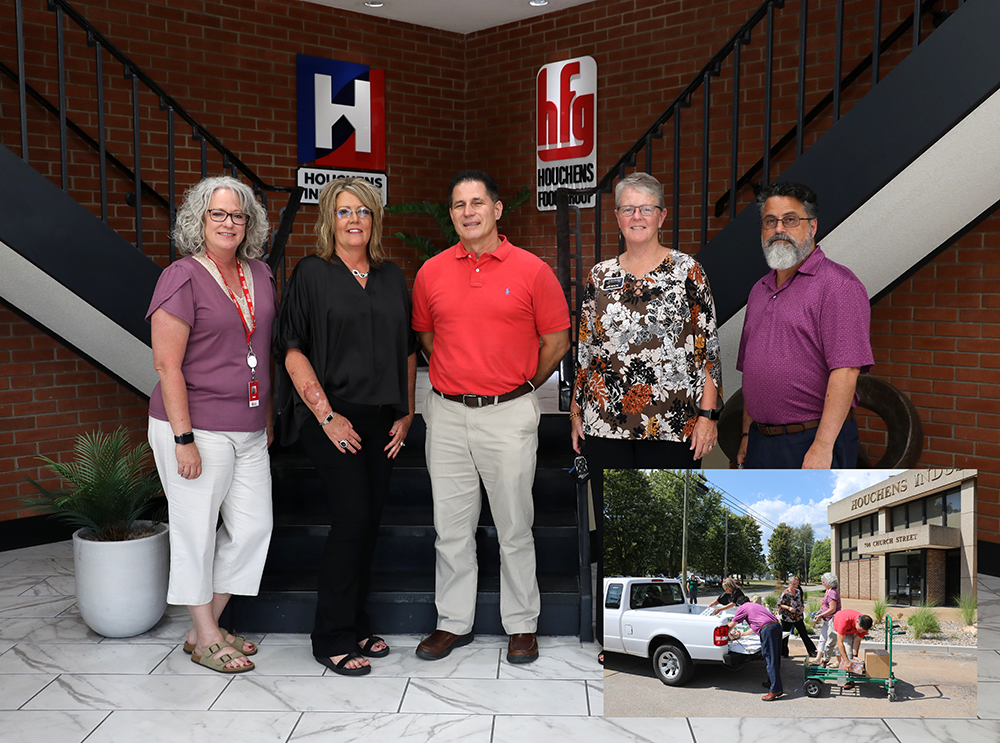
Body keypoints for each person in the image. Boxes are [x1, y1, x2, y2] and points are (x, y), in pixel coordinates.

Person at [411, 170, 570, 665]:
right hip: (448, 414)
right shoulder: (431, 272)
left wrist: (522, 385)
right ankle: (452, 622)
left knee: (514, 525)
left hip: (508, 414)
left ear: (497, 210)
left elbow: (557, 341)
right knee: (451, 527)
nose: (468, 212)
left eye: (477, 202)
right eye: (459, 205)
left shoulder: (532, 271)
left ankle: (521, 624)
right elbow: (428, 338)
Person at [273, 177, 417, 676]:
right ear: (328, 220)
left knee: (369, 522)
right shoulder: (312, 273)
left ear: (374, 219)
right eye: (343, 211)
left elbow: (407, 350)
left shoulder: (392, 275)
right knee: (352, 518)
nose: (354, 219)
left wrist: (407, 411)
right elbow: (291, 349)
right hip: (332, 417)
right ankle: (330, 635)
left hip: (383, 420)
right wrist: (327, 415)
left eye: (362, 211)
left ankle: (356, 623)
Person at [147, 175, 277, 674]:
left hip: (248, 427)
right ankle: (204, 634)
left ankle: (205, 626)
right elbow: (166, 365)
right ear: (199, 220)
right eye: (218, 214)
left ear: (249, 224)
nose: (229, 223)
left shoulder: (260, 274)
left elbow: (259, 350)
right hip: (196, 426)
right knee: (196, 531)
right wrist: (183, 439)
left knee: (252, 529)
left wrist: (264, 414)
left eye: (238, 215)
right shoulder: (181, 276)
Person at [570, 171, 722, 469]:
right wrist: (576, 412)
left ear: (661, 216)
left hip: (673, 424)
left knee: (666, 510)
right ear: (618, 217)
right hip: (605, 424)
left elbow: (709, 352)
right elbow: (585, 349)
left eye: (646, 209)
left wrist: (708, 416)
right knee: (609, 510)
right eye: (628, 209)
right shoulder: (600, 276)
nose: (636, 216)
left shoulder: (688, 271)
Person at [736, 182, 874, 469]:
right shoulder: (758, 290)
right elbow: (752, 372)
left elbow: (846, 371)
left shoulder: (839, 285)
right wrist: (748, 434)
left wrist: (823, 446)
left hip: (812, 440)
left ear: (812, 227)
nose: (778, 230)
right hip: (761, 440)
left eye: (790, 220)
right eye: (770, 221)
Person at [728, 601, 784, 701]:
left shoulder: (742, 608)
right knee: (775, 657)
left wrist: (726, 635)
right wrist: (741, 635)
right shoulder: (755, 606)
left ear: (738, 604)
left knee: (770, 659)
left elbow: (730, 626)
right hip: (776, 626)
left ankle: (776, 689)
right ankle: (771, 682)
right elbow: (757, 626)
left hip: (768, 630)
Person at [831, 609, 873, 689]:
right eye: (860, 630)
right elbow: (840, 642)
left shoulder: (864, 626)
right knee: (829, 645)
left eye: (862, 631)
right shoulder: (844, 620)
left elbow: (857, 640)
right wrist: (846, 660)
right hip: (836, 624)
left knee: (849, 653)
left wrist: (854, 656)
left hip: (849, 631)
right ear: (857, 621)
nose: (860, 632)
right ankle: (823, 661)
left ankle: (849, 679)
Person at [778, 576, 818, 658]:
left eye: (796, 584)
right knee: (785, 636)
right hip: (787, 618)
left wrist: (802, 607)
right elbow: (780, 605)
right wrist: (788, 608)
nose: (795, 585)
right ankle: (783, 653)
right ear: (789, 584)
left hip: (797, 617)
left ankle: (811, 651)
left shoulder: (798, 592)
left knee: (804, 634)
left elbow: (800, 601)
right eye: (793, 584)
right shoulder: (785, 593)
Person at [814, 572, 842, 664]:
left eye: (823, 582)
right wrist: (820, 612)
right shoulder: (828, 591)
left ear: (828, 582)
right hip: (827, 620)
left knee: (834, 641)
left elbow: (832, 609)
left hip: (832, 621)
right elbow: (826, 605)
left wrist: (820, 615)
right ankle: (818, 659)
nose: (822, 584)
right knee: (822, 639)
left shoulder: (832, 593)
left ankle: (838, 661)